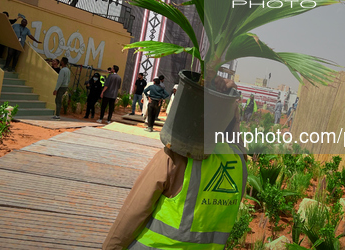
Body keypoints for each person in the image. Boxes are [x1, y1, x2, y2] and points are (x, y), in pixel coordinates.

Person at [103, 76, 246, 249]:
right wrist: (231, 103)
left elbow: (134, 211)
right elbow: (237, 142)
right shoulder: (239, 163)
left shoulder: (174, 157)